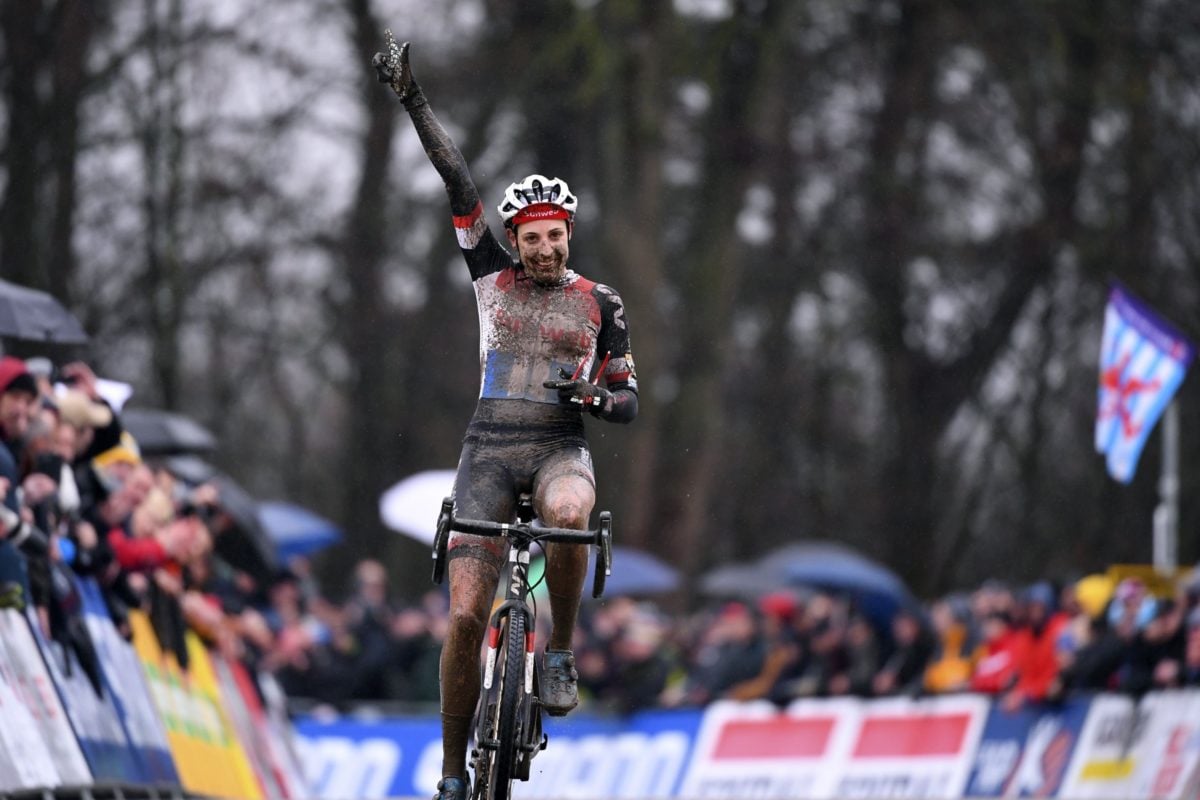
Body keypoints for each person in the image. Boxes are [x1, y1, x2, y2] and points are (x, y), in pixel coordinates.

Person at [373, 35, 639, 800]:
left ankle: (558, 652)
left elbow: (629, 400)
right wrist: (414, 99)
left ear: (568, 237)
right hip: (488, 448)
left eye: (558, 236)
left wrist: (596, 401)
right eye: (535, 238)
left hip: (559, 446)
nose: (548, 247)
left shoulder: (601, 303)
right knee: (462, 621)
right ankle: (454, 771)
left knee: (568, 511)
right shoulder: (489, 276)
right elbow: (456, 179)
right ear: (515, 244)